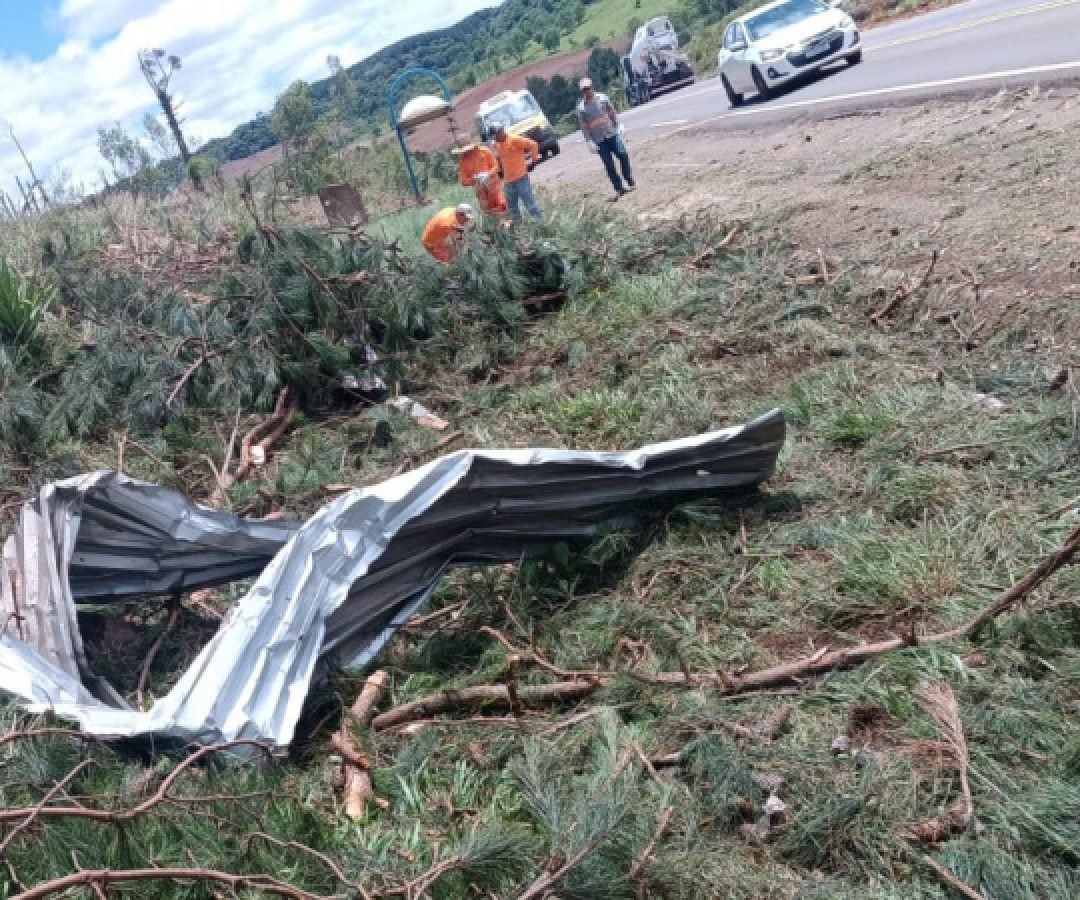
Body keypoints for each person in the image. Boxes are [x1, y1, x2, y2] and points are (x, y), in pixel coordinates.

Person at [577, 77, 635, 199]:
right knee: (609, 164)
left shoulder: (603, 98)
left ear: (592, 87)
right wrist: (589, 141)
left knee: (623, 154)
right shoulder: (582, 108)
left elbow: (612, 112)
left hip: (611, 133)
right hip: (599, 140)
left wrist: (618, 124)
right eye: (584, 90)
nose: (587, 91)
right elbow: (584, 127)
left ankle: (628, 177)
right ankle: (619, 188)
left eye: (588, 88)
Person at [491, 124, 541, 222]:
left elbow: (533, 145)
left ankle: (539, 223)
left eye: (496, 136)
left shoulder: (514, 140)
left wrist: (534, 162)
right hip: (508, 181)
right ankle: (519, 226)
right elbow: (498, 157)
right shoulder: (497, 144)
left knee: (530, 205)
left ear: (501, 132)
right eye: (493, 137)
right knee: (512, 208)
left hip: (521, 178)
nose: (495, 138)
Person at [453, 139, 506, 215]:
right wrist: (474, 179)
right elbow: (463, 181)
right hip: (480, 191)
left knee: (502, 205)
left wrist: (488, 174)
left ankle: (510, 222)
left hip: (494, 185)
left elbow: (496, 166)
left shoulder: (484, 151)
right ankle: (496, 224)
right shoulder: (463, 162)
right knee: (488, 211)